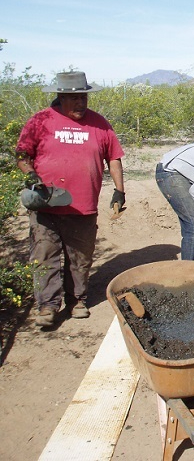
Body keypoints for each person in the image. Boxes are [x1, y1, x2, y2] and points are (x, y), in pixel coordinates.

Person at [15, 71, 125, 328]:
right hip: (46, 205)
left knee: (80, 257)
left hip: (83, 205)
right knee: (45, 255)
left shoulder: (99, 123)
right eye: (74, 98)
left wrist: (120, 190)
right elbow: (22, 154)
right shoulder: (40, 121)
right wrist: (30, 175)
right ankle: (48, 306)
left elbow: (114, 158)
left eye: (83, 97)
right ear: (61, 97)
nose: (81, 103)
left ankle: (77, 300)